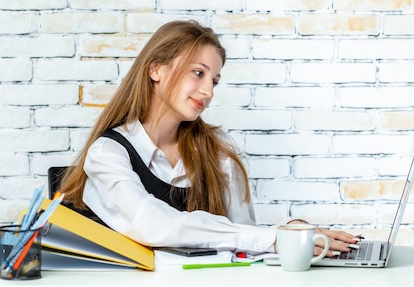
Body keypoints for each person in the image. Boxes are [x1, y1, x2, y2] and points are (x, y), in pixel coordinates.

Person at [59, 19, 358, 255]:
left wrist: (290, 233)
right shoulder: (108, 154)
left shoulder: (219, 154)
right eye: (198, 73)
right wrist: (271, 237)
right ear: (157, 70)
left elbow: (244, 241)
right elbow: (150, 224)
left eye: (214, 81)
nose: (209, 91)